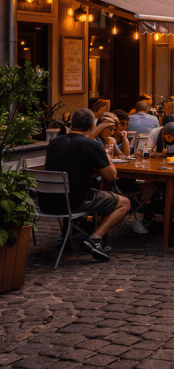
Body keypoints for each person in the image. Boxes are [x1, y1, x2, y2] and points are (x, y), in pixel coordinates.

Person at [42, 109, 131, 261]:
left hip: (46, 202)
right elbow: (111, 176)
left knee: (71, 189)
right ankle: (95, 238)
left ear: (71, 124)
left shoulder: (54, 142)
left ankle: (66, 235)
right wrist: (105, 154)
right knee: (124, 202)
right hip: (75, 201)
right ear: (92, 126)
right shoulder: (91, 145)